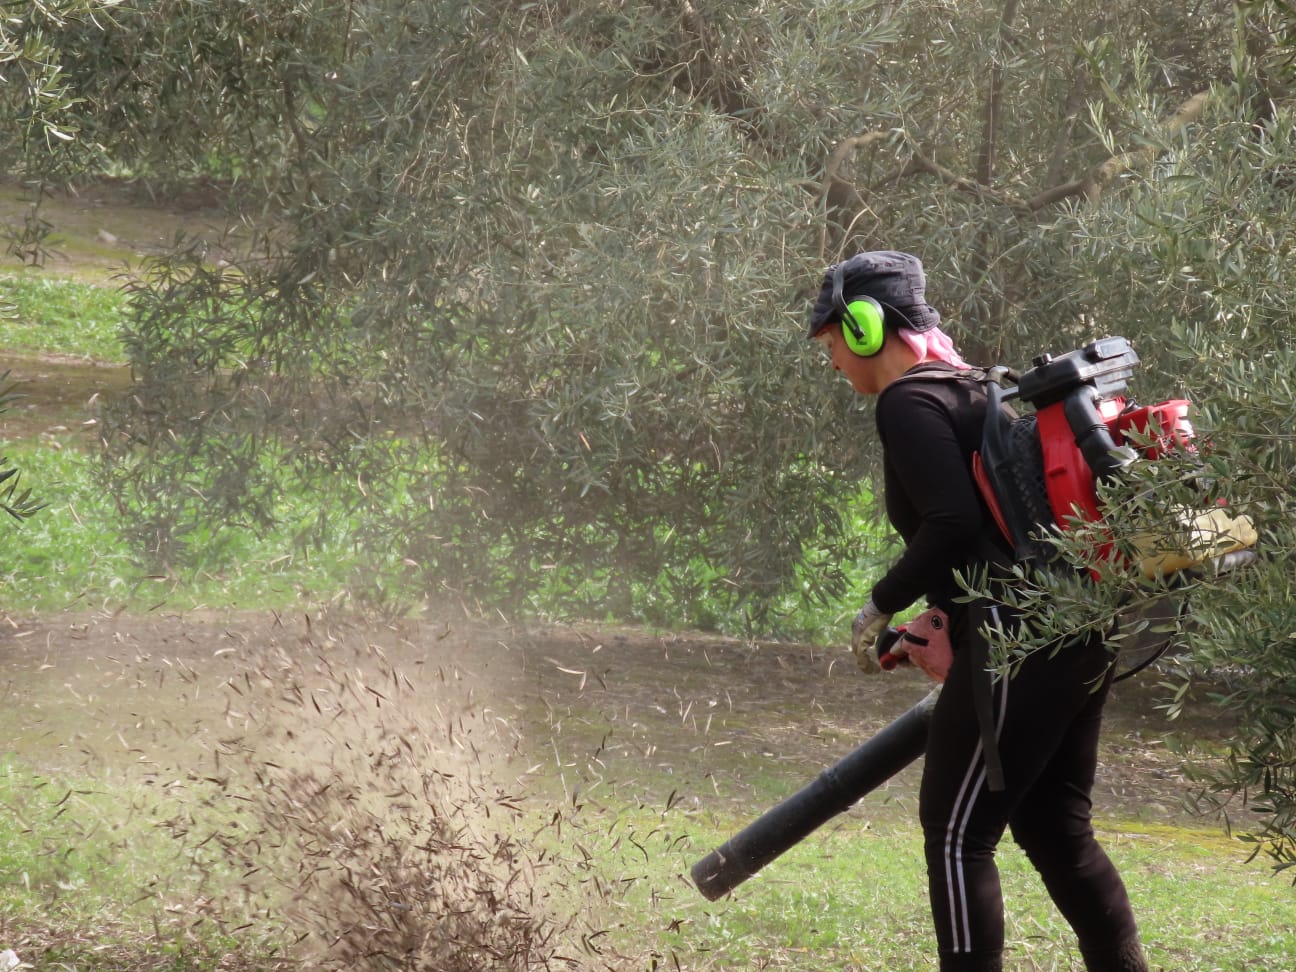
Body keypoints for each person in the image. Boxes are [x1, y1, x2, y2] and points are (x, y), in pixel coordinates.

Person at [805, 251, 1151, 972]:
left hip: (1018, 637)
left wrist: (877, 605)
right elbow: (998, 533)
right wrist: (940, 619)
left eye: (831, 341)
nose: (832, 360)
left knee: (957, 835)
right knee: (1056, 830)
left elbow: (953, 525)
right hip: (1075, 626)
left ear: (866, 328)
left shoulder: (908, 402)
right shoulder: (968, 388)